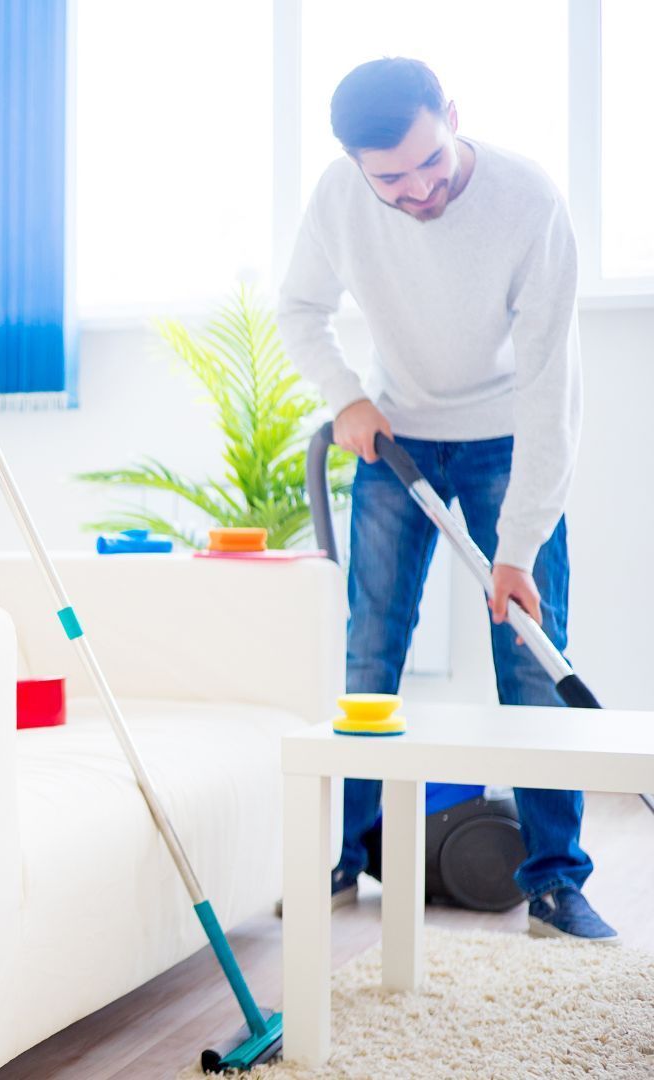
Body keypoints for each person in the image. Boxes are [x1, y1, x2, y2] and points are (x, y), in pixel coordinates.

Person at [279, 58, 610, 942]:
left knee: (531, 659)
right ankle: (342, 858)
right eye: (391, 176)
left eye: (430, 161)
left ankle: (554, 881)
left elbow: (550, 390)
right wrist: (345, 397)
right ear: (355, 163)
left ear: (452, 118)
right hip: (396, 434)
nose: (418, 188)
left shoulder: (527, 202)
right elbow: (300, 309)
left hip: (508, 434)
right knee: (371, 649)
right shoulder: (340, 200)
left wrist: (519, 545)